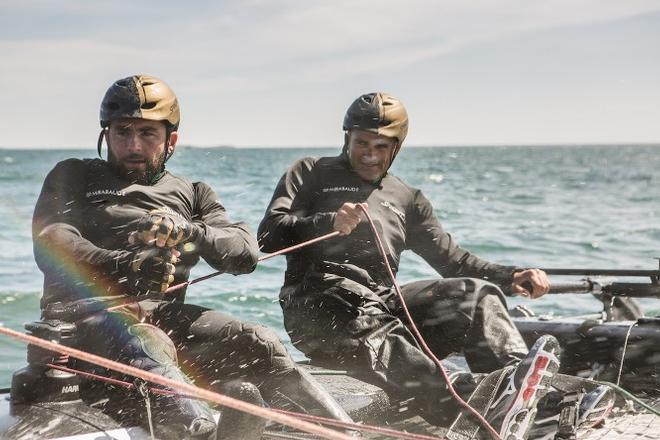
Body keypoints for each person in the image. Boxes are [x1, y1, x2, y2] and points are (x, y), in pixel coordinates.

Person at [31, 74, 352, 439]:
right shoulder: (74, 175)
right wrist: (124, 264)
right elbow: (51, 242)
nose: (133, 145)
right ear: (107, 134)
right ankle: (200, 433)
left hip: (165, 324)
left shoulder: (194, 194)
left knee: (258, 340)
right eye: (123, 131)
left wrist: (191, 232)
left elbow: (244, 252)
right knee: (148, 341)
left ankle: (342, 432)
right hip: (86, 326)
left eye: (148, 133)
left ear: (171, 141)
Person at [257, 92, 584, 437]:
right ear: (346, 138)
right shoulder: (311, 172)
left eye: (381, 147)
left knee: (475, 294)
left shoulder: (407, 198)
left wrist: (511, 275)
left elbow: (453, 261)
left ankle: (520, 396)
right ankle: (469, 410)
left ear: (396, 147)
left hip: (384, 308)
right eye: (361, 143)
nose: (369, 155)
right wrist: (326, 221)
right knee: (352, 300)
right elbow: (268, 236)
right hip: (319, 309)